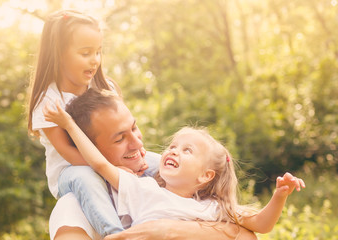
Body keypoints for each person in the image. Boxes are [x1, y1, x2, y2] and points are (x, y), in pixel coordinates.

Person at [44, 89, 305, 239]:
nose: (136, 143)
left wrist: (279, 196)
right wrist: (67, 124)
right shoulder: (140, 191)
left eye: (187, 150)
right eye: (119, 138)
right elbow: (100, 165)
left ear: (205, 176)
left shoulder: (211, 207)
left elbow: (258, 228)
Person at [27, 9, 149, 237]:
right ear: (59, 54)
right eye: (85, 53)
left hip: (110, 160)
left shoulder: (105, 88)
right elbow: (68, 152)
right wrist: (110, 170)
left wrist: (134, 157)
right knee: (86, 177)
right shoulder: (50, 101)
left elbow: (124, 129)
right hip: (71, 171)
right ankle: (115, 234)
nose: (94, 60)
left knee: (156, 162)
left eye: (98, 52)